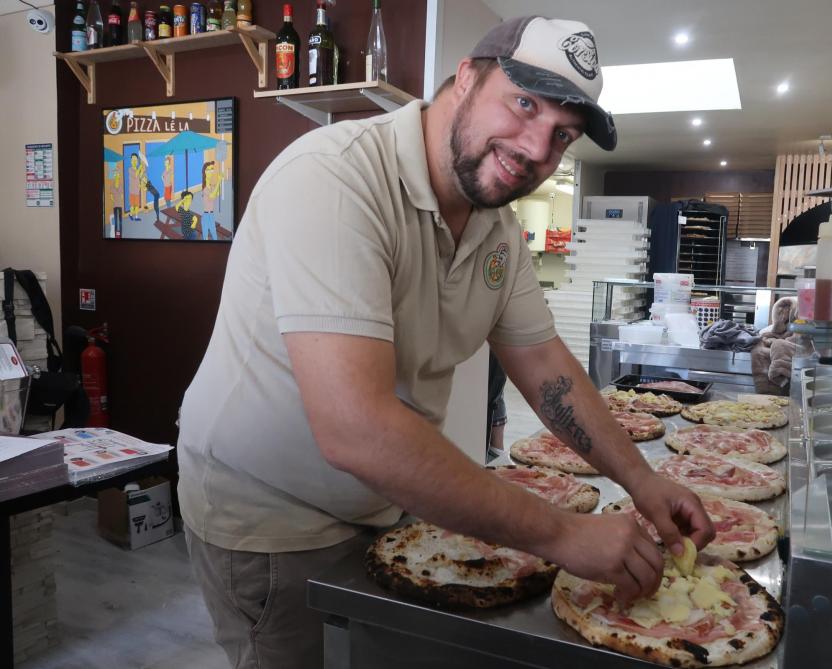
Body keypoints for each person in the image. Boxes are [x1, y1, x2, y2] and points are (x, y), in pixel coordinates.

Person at [177, 16, 715, 669]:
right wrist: (562, 532)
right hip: (270, 521)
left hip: (390, 505)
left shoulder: (495, 228)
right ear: (465, 77)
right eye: (524, 104)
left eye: (562, 136)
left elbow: (546, 367)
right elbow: (355, 428)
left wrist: (642, 479)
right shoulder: (337, 179)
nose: (537, 148)